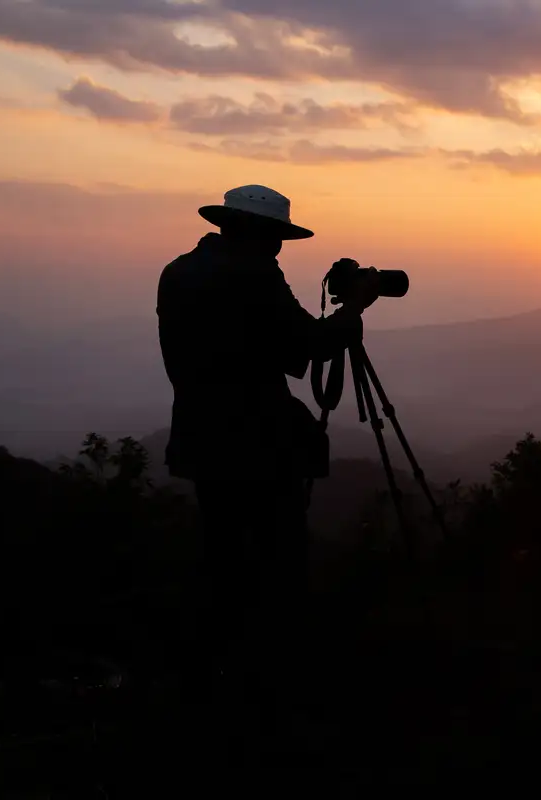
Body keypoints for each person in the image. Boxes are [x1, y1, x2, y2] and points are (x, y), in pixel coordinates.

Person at [156, 185, 376, 739]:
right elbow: (309, 344)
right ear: (260, 235)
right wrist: (355, 307)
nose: (279, 250)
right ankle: (273, 696)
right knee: (276, 562)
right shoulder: (253, 275)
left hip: (201, 438)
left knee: (223, 556)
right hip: (256, 443)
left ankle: (210, 682)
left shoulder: (178, 272)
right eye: (276, 239)